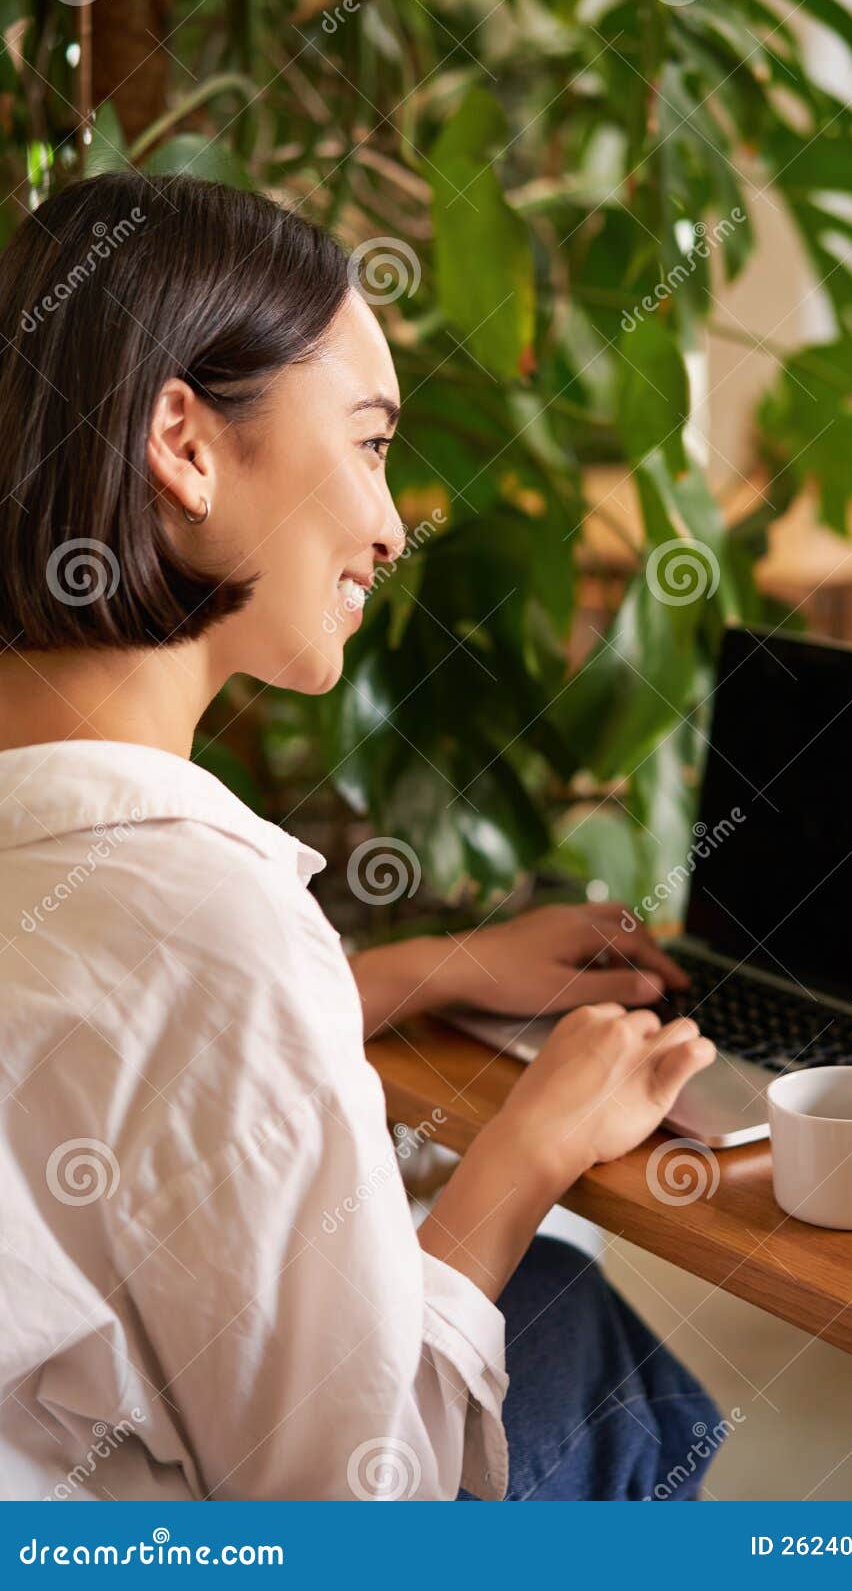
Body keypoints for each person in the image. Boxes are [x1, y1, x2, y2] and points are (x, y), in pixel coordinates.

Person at [0, 173, 718, 1501]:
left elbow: (98, 1037)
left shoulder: (69, 843)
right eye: (370, 443)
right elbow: (362, 1507)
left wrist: (429, 966)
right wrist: (522, 1159)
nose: (391, 527)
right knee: (601, 1351)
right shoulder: (206, 920)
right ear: (185, 441)